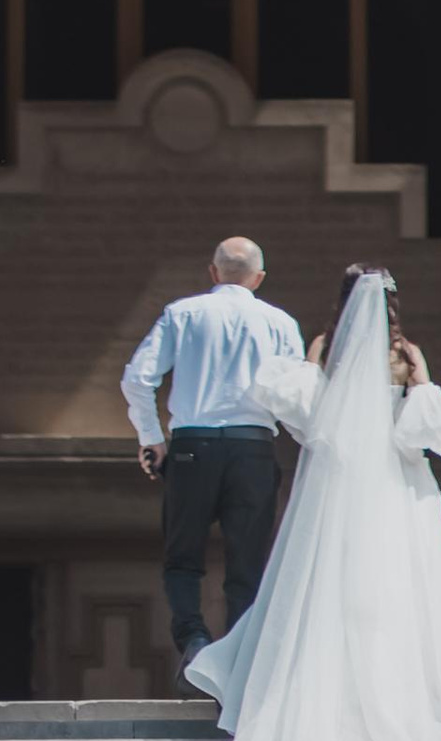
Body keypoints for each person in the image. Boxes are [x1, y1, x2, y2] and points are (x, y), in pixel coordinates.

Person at [184, 263, 441, 741]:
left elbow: (302, 415)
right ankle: (402, 692)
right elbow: (432, 432)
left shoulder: (324, 349)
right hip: (394, 483)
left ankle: (319, 687)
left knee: (329, 577)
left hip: (336, 483)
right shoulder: (406, 355)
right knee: (399, 578)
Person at [120, 235, 306, 680]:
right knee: (248, 560)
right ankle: (241, 657)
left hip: (191, 447)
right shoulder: (279, 322)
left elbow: (136, 379)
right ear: (259, 278)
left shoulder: (182, 314)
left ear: (213, 272)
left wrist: (153, 438)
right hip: (253, 449)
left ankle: (194, 639)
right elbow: (297, 395)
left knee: (182, 557)